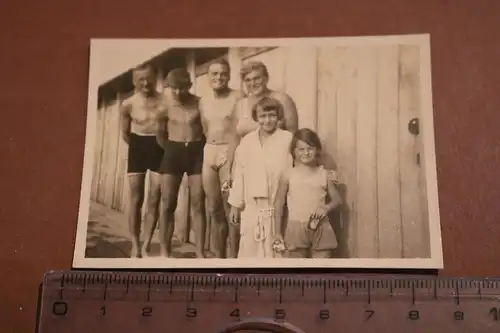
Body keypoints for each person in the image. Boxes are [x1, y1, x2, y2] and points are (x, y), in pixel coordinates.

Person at [228, 97, 293, 258]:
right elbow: (239, 173)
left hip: (277, 208)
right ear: (256, 118)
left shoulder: (287, 139)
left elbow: (295, 170)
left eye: (272, 115)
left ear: (278, 117)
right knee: (249, 249)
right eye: (263, 116)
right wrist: (236, 205)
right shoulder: (247, 141)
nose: (267, 120)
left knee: (276, 252)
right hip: (252, 208)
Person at [155, 68, 207, 258]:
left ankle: (200, 253)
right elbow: (160, 134)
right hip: (173, 152)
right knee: (168, 202)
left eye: (181, 88)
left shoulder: (200, 104)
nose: (177, 93)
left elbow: (206, 128)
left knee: (198, 203)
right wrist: (171, 150)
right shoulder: (164, 107)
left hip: (196, 152)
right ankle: (164, 252)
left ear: (189, 86)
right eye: (173, 89)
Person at [119, 64, 167, 258]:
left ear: (156, 77)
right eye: (141, 80)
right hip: (138, 147)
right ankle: (135, 244)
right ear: (134, 81)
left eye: (149, 78)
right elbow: (124, 133)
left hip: (159, 147)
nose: (146, 83)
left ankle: (146, 244)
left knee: (154, 198)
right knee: (136, 198)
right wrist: (138, 146)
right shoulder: (128, 104)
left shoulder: (165, 100)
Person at [199, 59, 244, 258]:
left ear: (229, 75)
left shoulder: (238, 97)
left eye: (223, 74)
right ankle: (219, 257)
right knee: (214, 207)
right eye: (214, 74)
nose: (219, 78)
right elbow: (204, 129)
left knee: (230, 208)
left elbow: (241, 128)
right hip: (209, 150)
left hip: (229, 152)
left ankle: (234, 257)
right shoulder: (203, 101)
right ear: (208, 77)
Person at [274, 128, 342, 259]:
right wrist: (277, 233)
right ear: (294, 151)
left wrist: (326, 207)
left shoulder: (324, 174)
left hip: (321, 227)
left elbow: (337, 199)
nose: (306, 153)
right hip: (295, 229)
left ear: (317, 150)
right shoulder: (288, 175)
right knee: (297, 273)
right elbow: (278, 204)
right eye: (301, 149)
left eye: (310, 148)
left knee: (321, 272)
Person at [232, 60, 299, 140]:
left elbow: (293, 134)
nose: (252, 83)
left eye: (257, 78)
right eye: (248, 80)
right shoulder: (240, 105)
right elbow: (234, 138)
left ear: (266, 79)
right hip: (248, 151)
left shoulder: (282, 99)